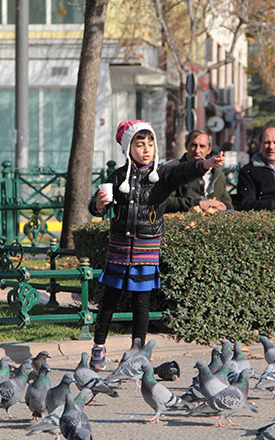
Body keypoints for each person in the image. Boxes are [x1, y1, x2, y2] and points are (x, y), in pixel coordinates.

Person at [87, 120, 225, 370]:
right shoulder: (118, 176)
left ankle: (137, 348)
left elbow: (184, 170)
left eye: (150, 144)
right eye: (140, 145)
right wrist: (98, 204)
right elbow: (97, 207)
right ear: (128, 148)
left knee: (142, 300)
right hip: (119, 245)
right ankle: (98, 346)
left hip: (147, 246)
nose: (146, 149)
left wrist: (206, 164)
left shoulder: (161, 175)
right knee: (109, 300)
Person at [164, 129, 233, 212]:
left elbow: (227, 201)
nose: (197, 151)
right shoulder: (173, 168)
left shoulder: (217, 173)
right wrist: (197, 204)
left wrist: (222, 206)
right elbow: (166, 201)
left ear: (209, 150)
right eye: (193, 145)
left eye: (202, 146)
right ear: (186, 146)